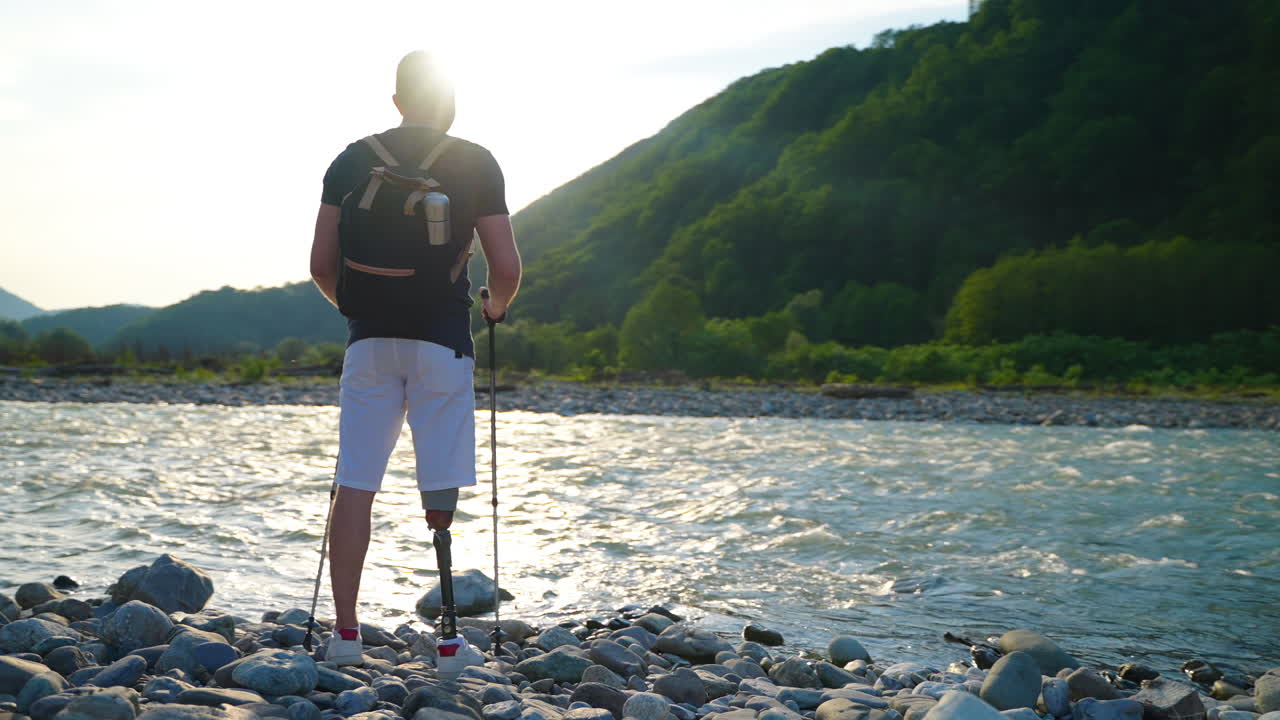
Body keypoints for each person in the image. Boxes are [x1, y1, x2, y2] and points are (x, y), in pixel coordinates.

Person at [308, 50, 521, 666]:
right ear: (450, 104)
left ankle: (345, 636)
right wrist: (495, 308)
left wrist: (357, 312)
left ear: (396, 101)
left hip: (368, 339)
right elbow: (504, 269)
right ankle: (450, 640)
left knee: (355, 484)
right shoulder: (475, 162)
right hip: (443, 339)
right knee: (440, 481)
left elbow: (321, 266)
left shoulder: (352, 159)